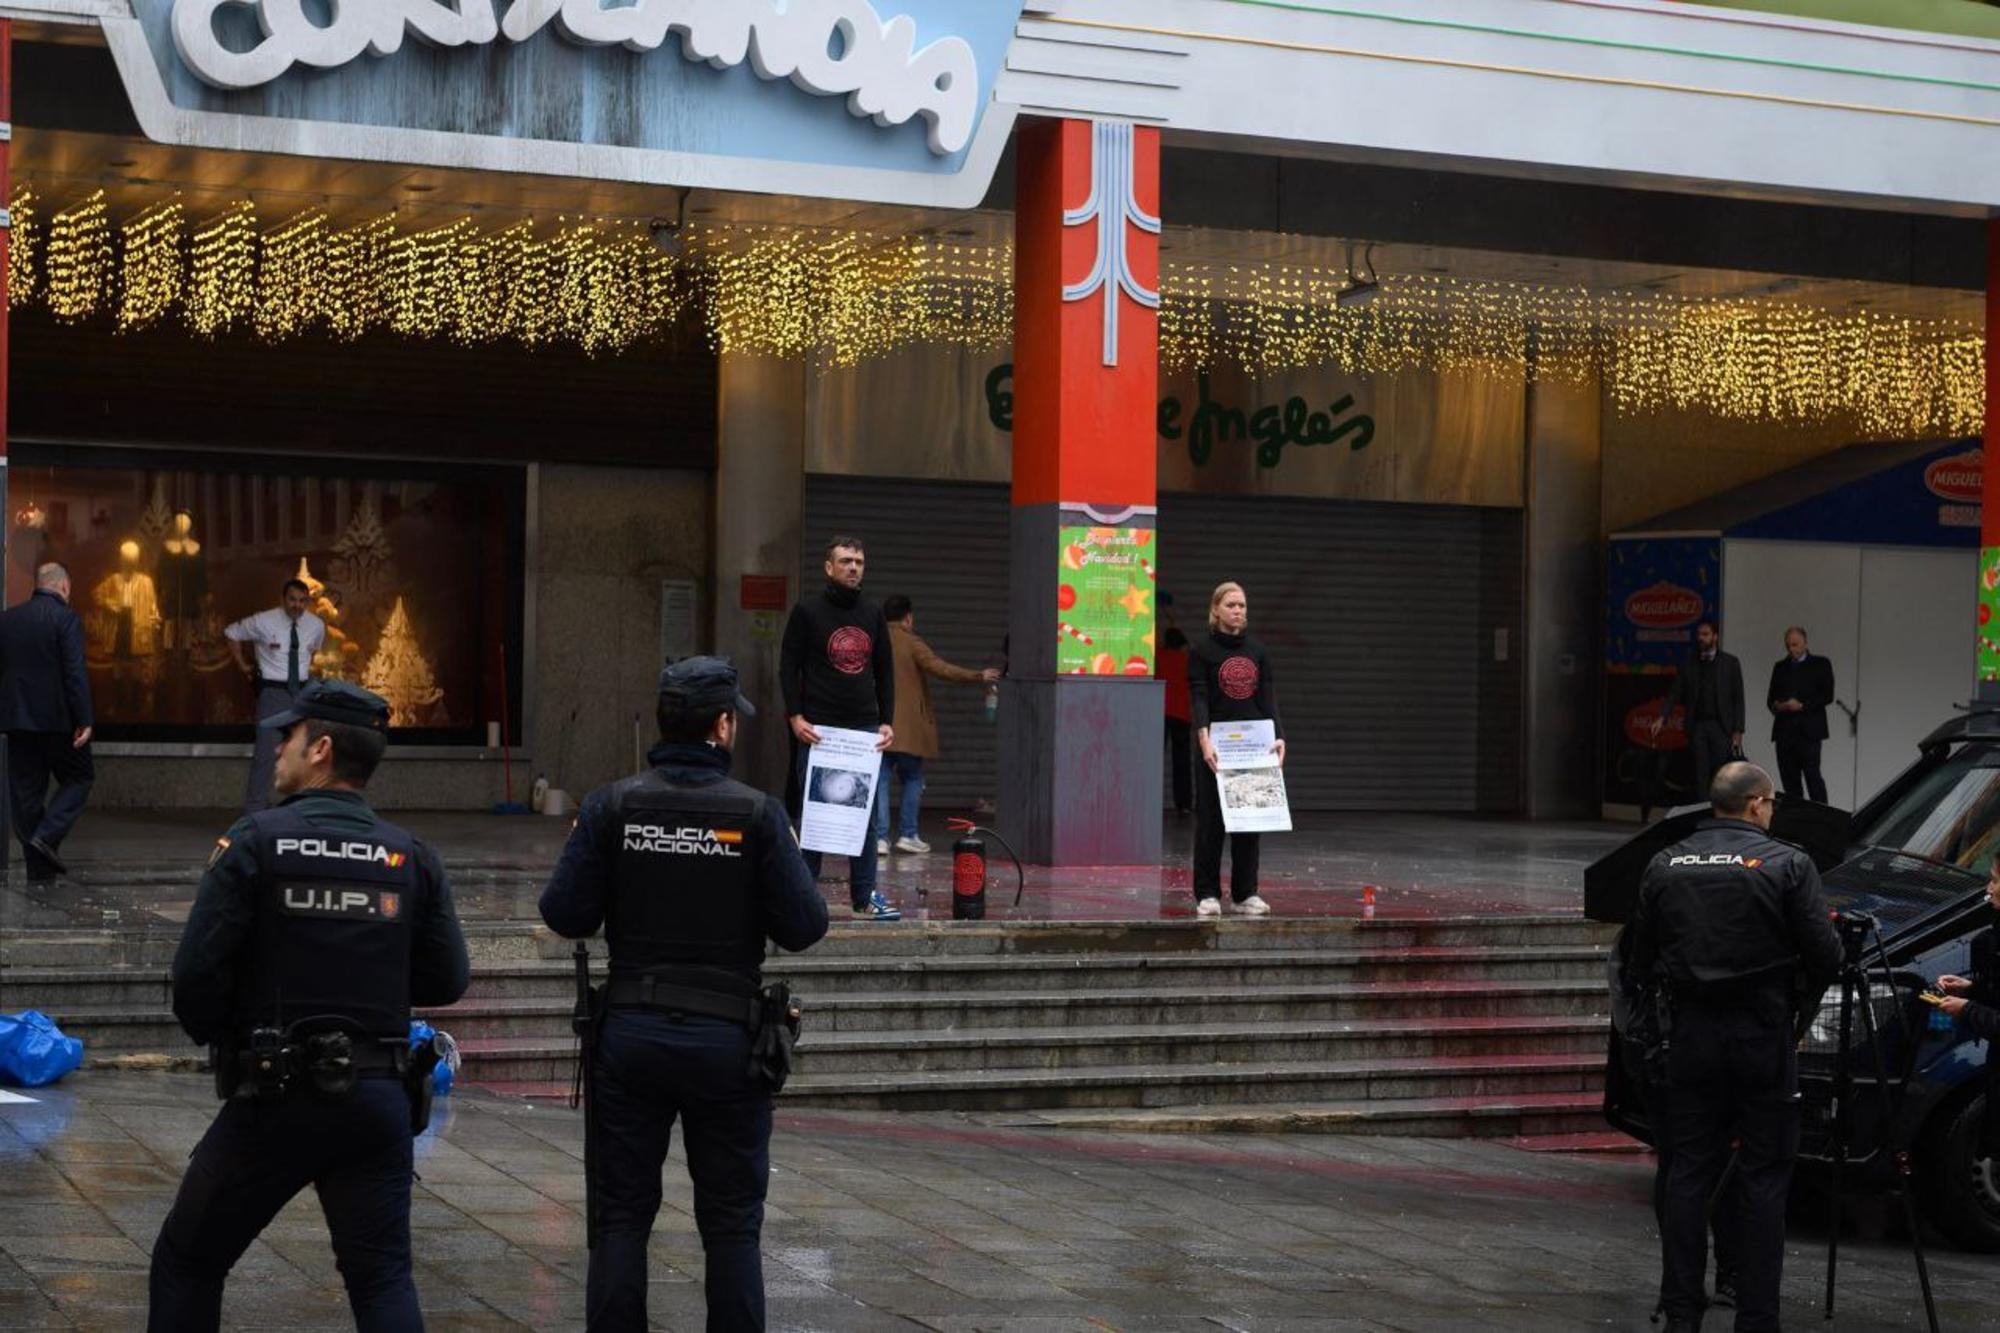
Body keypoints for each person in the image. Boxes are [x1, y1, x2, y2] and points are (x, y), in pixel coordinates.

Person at [148, 680, 470, 1332]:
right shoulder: (410, 855)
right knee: (382, 1279)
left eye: (288, 737)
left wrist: (232, 1037)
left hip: (274, 1097)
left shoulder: (255, 841)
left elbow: (196, 977)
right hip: (378, 1102)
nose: (277, 750)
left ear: (320, 748)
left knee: (188, 1259)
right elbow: (447, 976)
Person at [539, 656, 830, 1331]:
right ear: (722, 726)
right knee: (730, 1226)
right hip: (728, 1043)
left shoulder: (612, 805)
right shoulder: (757, 814)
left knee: (619, 1218)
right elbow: (805, 925)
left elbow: (565, 913)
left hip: (631, 1035)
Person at [1627, 761, 1841, 1333]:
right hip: (1762, 1036)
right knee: (1764, 1177)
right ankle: (1756, 1316)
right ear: (1756, 804)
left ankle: (1681, 1313)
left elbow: (1640, 958)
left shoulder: (1665, 864)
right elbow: (1827, 955)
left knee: (1688, 1173)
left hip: (1690, 1036)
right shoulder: (1789, 864)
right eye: (1770, 804)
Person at [779, 535, 899, 921]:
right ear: (829, 567)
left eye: (859, 562)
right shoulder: (807, 612)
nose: (853, 568)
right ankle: (803, 896)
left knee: (862, 818)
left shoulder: (872, 613)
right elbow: (787, 666)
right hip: (819, 728)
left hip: (863, 730)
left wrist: (886, 721)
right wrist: (795, 717)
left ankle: (864, 896)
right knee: (814, 814)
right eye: (846, 561)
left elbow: (885, 670)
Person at [875, 594, 998, 856]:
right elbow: (940, 668)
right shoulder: (911, 642)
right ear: (908, 617)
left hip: (878, 724)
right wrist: (977, 675)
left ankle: (880, 838)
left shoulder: (874, 640)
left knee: (881, 780)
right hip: (909, 729)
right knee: (912, 779)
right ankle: (908, 835)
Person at [1188, 582, 1283, 919]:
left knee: (1248, 821)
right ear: (1216, 609)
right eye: (1231, 605)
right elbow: (1198, 696)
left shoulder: (1258, 651)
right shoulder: (1202, 651)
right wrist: (1203, 738)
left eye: (1242, 605)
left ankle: (1245, 893)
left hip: (1254, 747)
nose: (1238, 611)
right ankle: (1207, 892)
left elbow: (1267, 697)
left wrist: (1279, 736)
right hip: (1216, 747)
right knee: (1211, 822)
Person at [0, 563, 94, 880]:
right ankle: (48, 836)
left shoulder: (8, 619)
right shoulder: (65, 618)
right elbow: (74, 671)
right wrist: (84, 719)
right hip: (60, 722)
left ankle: (37, 870)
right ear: (64, 587)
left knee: (26, 796)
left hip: (18, 722)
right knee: (79, 778)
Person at [225, 578, 327, 815]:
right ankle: (255, 811)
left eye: (302, 601)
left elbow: (313, 651)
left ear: (308, 602)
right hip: (273, 692)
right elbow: (230, 632)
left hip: (302, 693)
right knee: (265, 755)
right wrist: (243, 665)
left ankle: (302, 809)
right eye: (292, 600)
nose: (297, 605)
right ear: (283, 600)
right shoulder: (263, 620)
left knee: (306, 753)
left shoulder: (316, 625)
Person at [1651, 620, 1744, 805]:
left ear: (1715, 637)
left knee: (1720, 773)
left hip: (1721, 726)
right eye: (1699, 634)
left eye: (1706, 634)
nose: (1701, 638)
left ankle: (1720, 812)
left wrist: (1738, 730)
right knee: (1700, 773)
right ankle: (1703, 813)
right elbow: (1675, 692)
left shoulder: (1730, 663)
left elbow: (1738, 698)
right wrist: (1662, 717)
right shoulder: (1689, 663)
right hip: (1698, 726)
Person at [1766, 625, 1834, 804]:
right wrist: (1778, 706)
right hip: (1785, 732)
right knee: (1790, 782)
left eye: (1795, 645)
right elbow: (1770, 698)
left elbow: (1827, 696)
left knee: (1813, 778)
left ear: (1805, 643)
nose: (1791, 649)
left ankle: (1822, 819)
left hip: (1809, 732)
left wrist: (1802, 706)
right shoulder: (1780, 667)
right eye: (1788, 645)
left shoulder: (1821, 664)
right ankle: (1797, 823)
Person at [1158, 626, 1193, 817]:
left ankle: (1154, 799)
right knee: (1182, 761)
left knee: (1156, 759)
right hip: (1182, 714)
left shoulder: (1159, 656)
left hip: (1160, 713)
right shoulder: (1187, 659)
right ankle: (1184, 804)